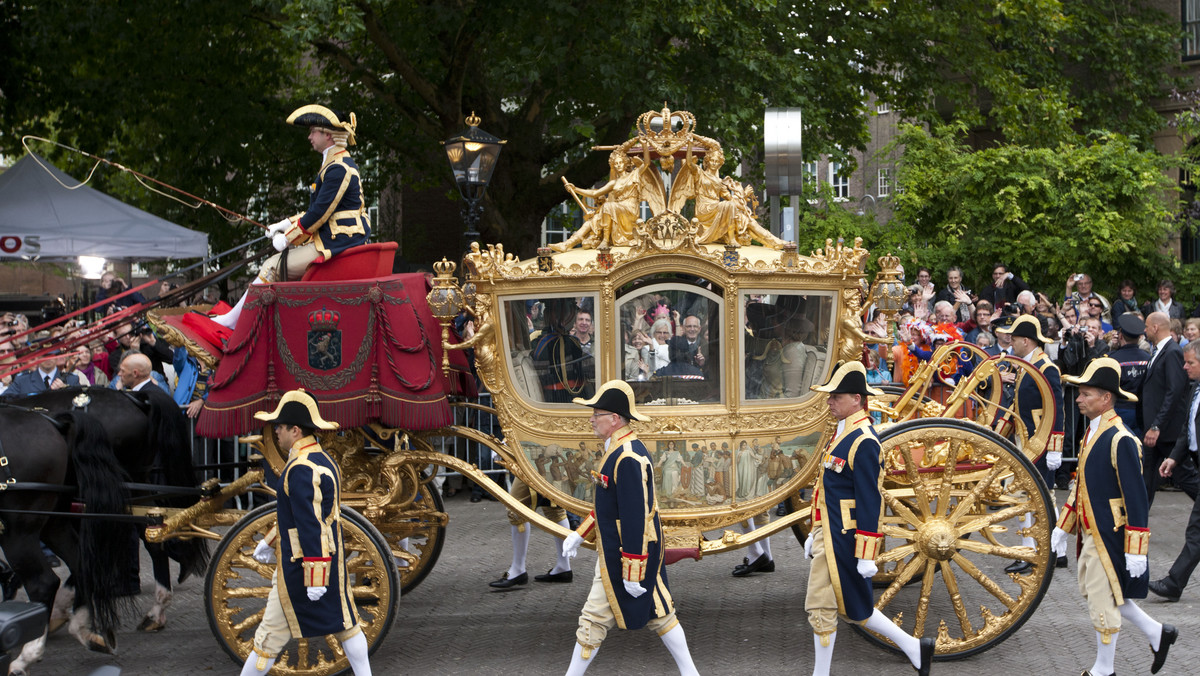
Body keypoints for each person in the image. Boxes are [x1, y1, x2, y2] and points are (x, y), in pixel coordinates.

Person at [559, 380, 700, 675]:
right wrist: (578, 533)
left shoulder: (628, 456)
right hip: (623, 550)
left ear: (614, 419)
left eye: (596, 414)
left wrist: (632, 570)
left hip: (624, 554)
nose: (591, 420)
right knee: (660, 612)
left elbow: (636, 517)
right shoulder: (618, 449)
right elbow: (606, 507)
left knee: (593, 619)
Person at [804, 361, 934, 676]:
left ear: (857, 400)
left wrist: (866, 554)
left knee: (821, 607)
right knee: (855, 609)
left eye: (837, 395)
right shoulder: (844, 433)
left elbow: (869, 500)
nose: (830, 401)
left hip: (844, 540)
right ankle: (914, 646)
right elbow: (826, 489)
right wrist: (815, 529)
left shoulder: (863, 441)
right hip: (831, 534)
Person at [1053, 358, 1176, 676]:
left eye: (1086, 394)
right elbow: (1081, 486)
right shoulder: (1092, 433)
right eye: (1079, 394)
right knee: (1107, 593)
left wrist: (1137, 550)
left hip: (1111, 535)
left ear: (1106, 398)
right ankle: (1157, 634)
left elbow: (1136, 499)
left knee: (1101, 600)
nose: (1079, 399)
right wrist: (1062, 527)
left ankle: (1103, 670)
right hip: (1094, 533)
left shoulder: (1121, 439)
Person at [243, 390, 371, 676]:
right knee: (346, 625)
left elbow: (309, 524)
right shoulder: (322, 460)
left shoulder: (301, 468)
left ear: (295, 429)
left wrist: (315, 577)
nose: (275, 431)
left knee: (268, 638)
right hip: (327, 560)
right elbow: (301, 517)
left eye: (280, 426)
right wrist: (269, 541)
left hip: (303, 566)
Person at [215, 105, 370, 329]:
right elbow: (317, 209)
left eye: (313, 132)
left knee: (271, 266)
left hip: (336, 243)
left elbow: (319, 213)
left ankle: (231, 322)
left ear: (328, 135)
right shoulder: (336, 164)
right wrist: (284, 224)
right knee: (274, 264)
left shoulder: (338, 168)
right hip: (335, 239)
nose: (309, 136)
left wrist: (288, 238)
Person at [994, 316, 1065, 571]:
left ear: (1026, 340)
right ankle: (1045, 550)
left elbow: (1057, 408)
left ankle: (1037, 551)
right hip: (1026, 441)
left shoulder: (1046, 368)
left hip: (1041, 442)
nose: (1010, 343)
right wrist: (997, 433)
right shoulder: (1026, 365)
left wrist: (1055, 446)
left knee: (1037, 497)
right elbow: (1016, 408)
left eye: (1013, 339)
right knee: (1033, 497)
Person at [1150, 340, 1200, 602]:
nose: (1185, 366)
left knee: (1196, 530)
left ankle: (1174, 583)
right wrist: (1174, 458)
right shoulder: (1194, 389)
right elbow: (1186, 430)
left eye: (1190, 362)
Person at [1139, 311, 1196, 507]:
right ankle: (1137, 527)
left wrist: (1157, 425)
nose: (1145, 331)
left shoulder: (1171, 352)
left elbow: (1174, 391)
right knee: (1146, 478)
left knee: (1185, 476)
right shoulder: (1158, 351)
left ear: (1155, 327)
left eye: (1147, 327)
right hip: (1155, 430)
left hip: (1166, 430)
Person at [488, 473, 574, 589]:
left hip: (531, 463)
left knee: (516, 508)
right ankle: (563, 566)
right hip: (543, 463)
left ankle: (518, 570)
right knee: (554, 509)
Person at [4, 352, 79, 396]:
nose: (48, 359)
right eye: (44, 355)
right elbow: (4, 399)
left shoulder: (71, 380)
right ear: (37, 357)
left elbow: (81, 402)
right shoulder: (22, 380)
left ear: (56, 357)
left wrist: (65, 391)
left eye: (51, 355)